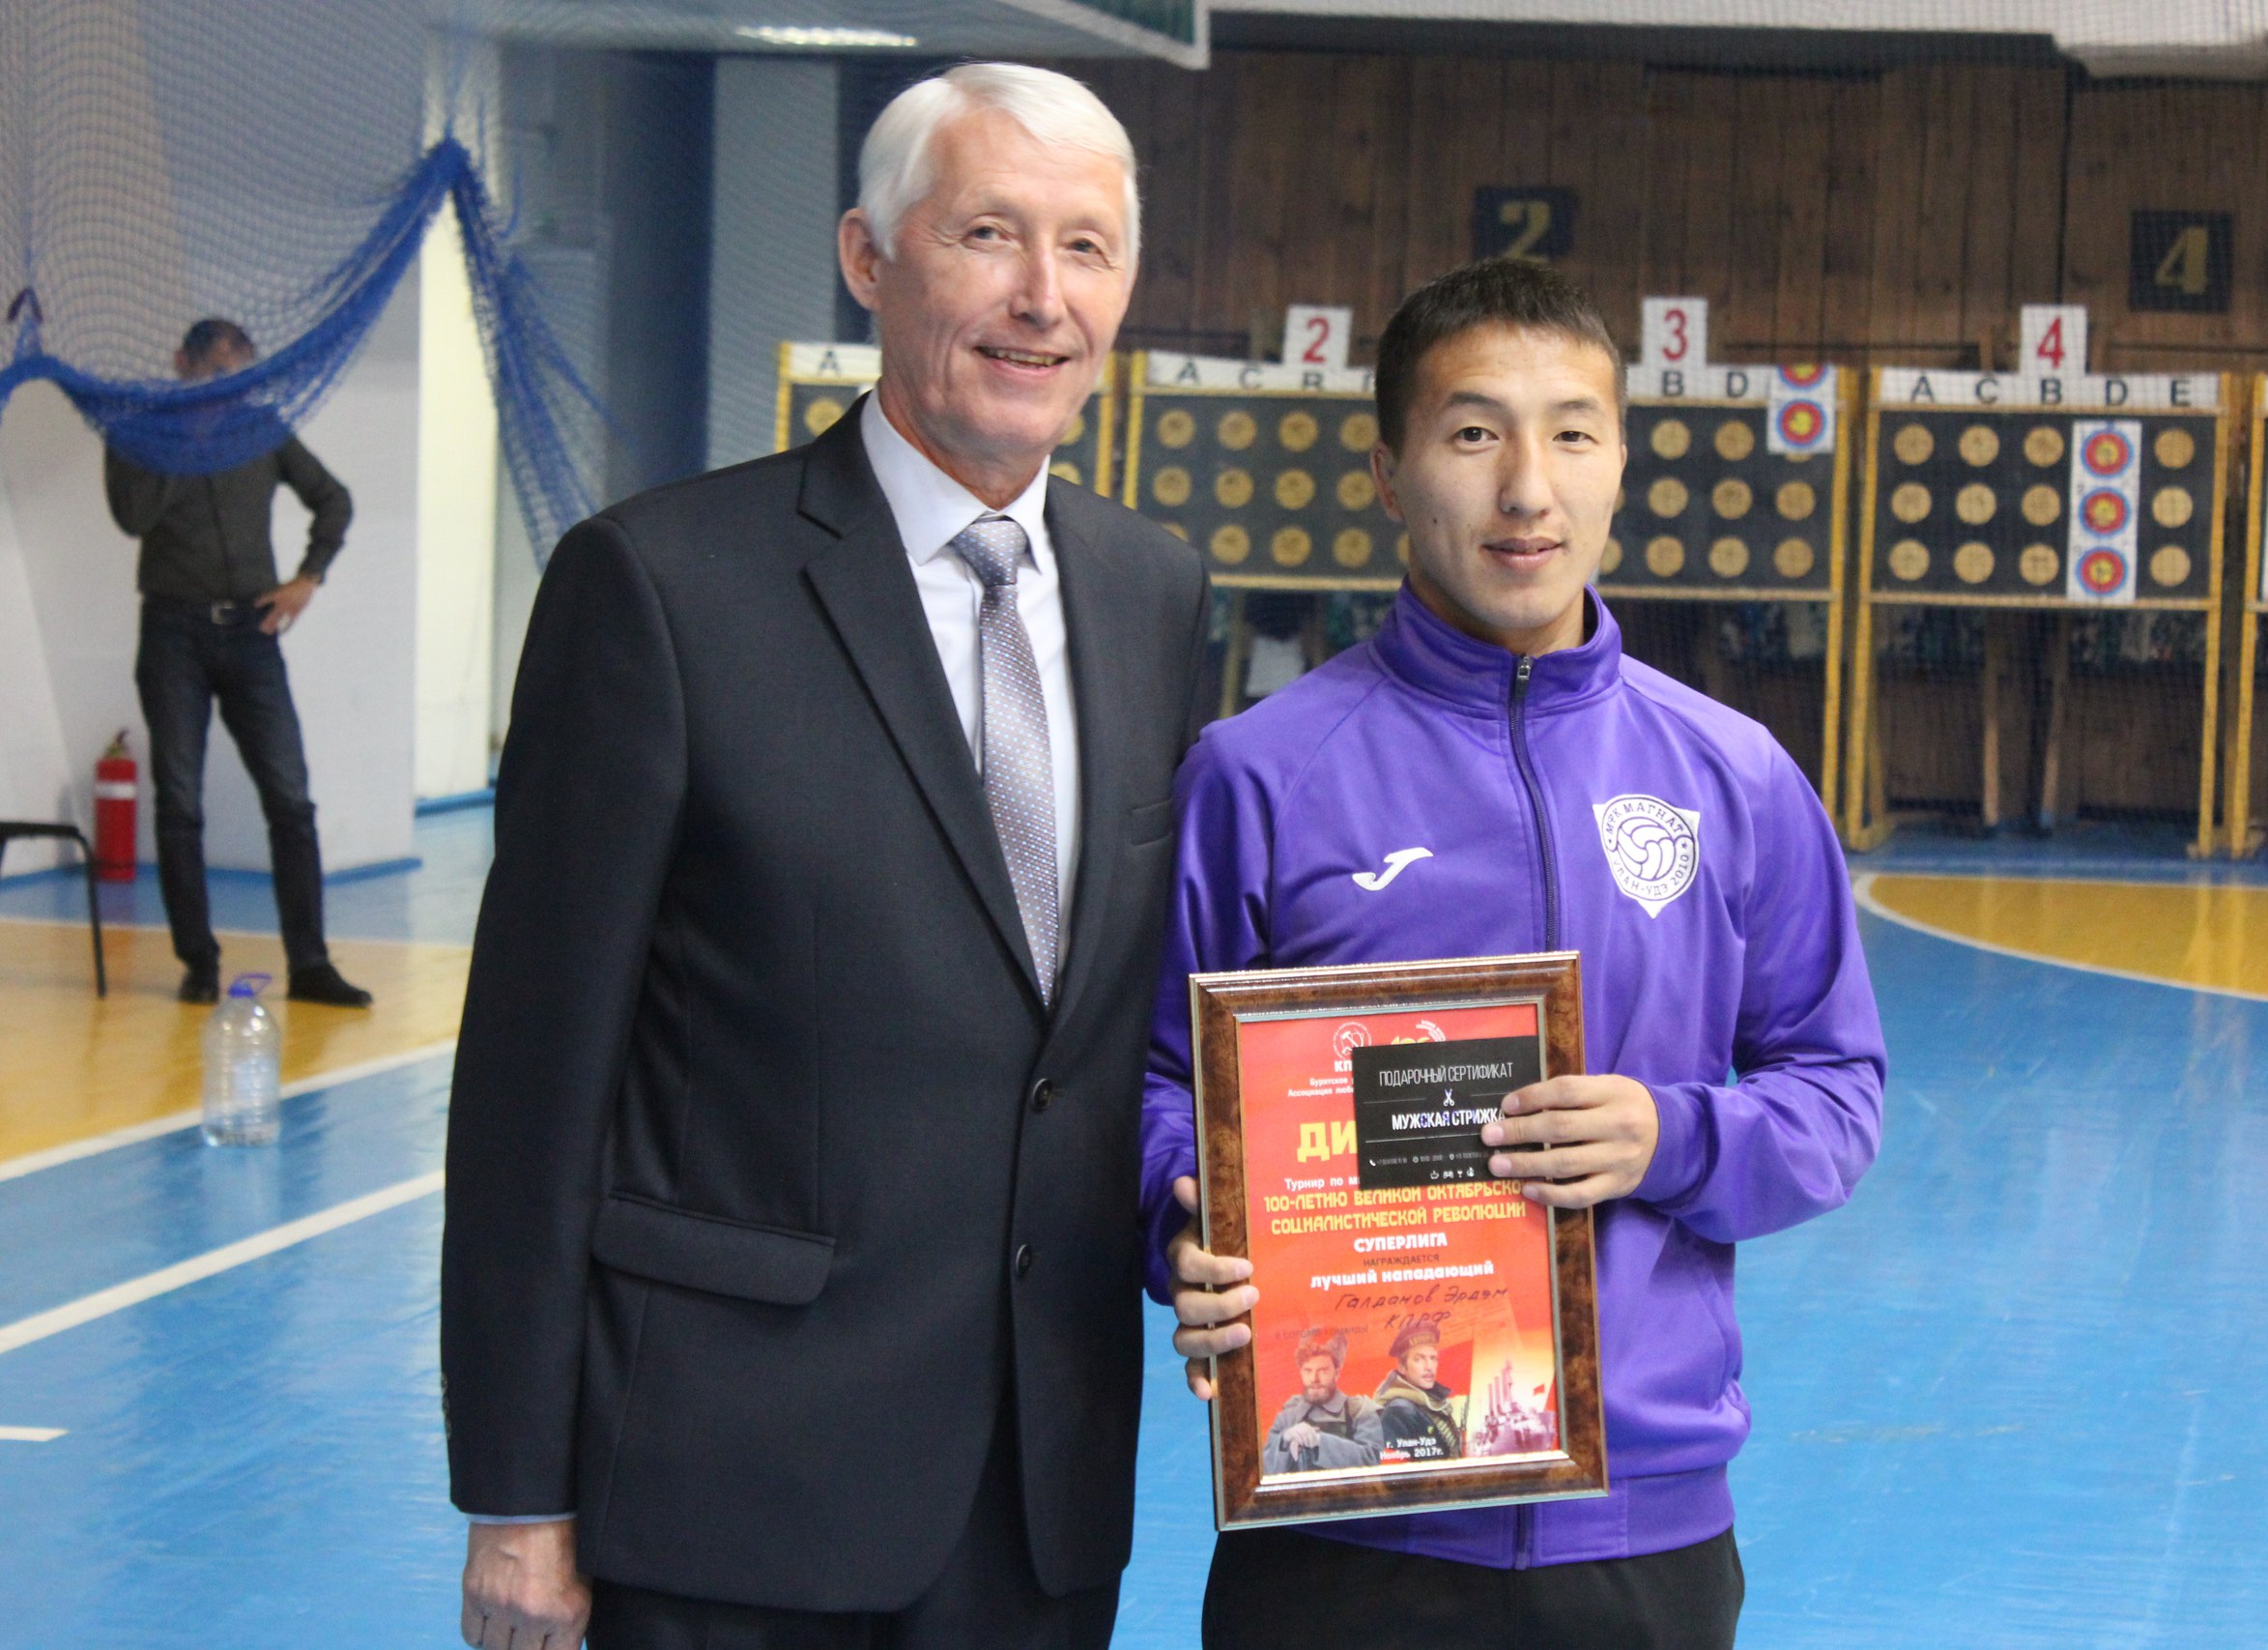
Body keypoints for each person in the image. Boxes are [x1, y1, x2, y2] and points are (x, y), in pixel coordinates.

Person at [442, 64, 1208, 1650]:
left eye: (1086, 247)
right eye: (988, 233)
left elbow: (1107, 1034)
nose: (1042, 297)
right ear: (868, 257)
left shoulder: (1153, 589)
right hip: (732, 1488)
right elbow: (532, 1086)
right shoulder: (659, 588)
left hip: (1037, 1497)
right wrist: (517, 1497)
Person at [1144, 259, 1886, 1650]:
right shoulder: (1258, 774)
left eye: (1574, 434)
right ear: (1388, 471)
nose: (1527, 488)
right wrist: (1180, 1225)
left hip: (1642, 1526)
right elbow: (1157, 1083)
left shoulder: (1733, 776)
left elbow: (1836, 1090)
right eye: (1475, 432)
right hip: (1343, 1519)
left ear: (1620, 468)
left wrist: (1669, 1135)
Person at [102, 318, 372, 1007]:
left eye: (242, 374)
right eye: (220, 371)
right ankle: (199, 962)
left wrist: (308, 577)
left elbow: (333, 499)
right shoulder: (140, 431)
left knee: (290, 799)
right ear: (182, 362)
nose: (231, 387)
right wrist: (186, 439)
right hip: (173, 632)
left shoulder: (261, 427)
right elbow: (132, 516)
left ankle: (310, 964)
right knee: (180, 802)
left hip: (252, 631)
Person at [1261, 1328, 1384, 1474]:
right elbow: (1265, 1470)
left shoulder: (1360, 1410)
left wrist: (1319, 1441)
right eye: (1308, 1370)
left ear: (1337, 1373)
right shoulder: (1288, 1414)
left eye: (1323, 1371)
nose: (1314, 1379)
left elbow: (1371, 1460)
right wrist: (1285, 1440)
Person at [1369, 1318, 1461, 1463]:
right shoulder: (1398, 1411)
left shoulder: (1433, 1402)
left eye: (1433, 1358)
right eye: (1419, 1359)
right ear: (1402, 1367)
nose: (1429, 1367)